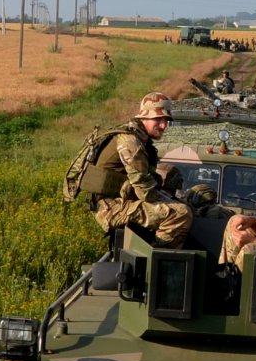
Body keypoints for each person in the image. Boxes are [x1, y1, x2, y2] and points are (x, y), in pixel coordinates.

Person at [77, 93, 195, 247]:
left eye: (166, 120)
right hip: (111, 208)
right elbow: (145, 192)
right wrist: (172, 203)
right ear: (144, 117)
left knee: (181, 203)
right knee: (181, 214)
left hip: (118, 201)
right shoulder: (131, 141)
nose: (163, 126)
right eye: (158, 119)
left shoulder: (141, 139)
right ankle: (158, 262)